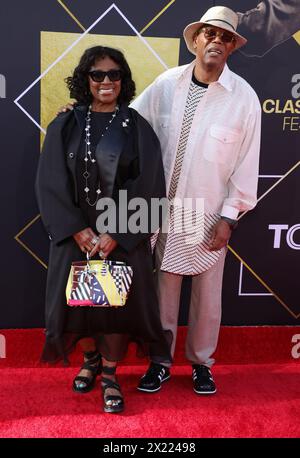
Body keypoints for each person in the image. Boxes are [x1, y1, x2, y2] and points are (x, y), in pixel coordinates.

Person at [130, 6, 262, 395]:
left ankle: (202, 364)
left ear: (232, 47)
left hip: (209, 214)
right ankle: (160, 362)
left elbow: (246, 163)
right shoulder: (166, 84)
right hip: (165, 212)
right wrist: (86, 118)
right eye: (210, 34)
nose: (216, 42)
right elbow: (131, 125)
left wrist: (229, 217)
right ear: (196, 39)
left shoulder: (244, 99)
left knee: (207, 299)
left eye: (225, 37)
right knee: (163, 292)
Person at [35, 46, 171, 413]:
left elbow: (150, 184)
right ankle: (90, 361)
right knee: (78, 306)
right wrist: (77, 229)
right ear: (86, 80)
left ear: (123, 80)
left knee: (115, 309)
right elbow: (50, 180)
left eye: (114, 74)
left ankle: (110, 375)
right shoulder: (66, 124)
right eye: (98, 75)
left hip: (121, 236)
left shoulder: (138, 127)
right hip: (75, 235)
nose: (106, 81)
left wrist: (118, 234)